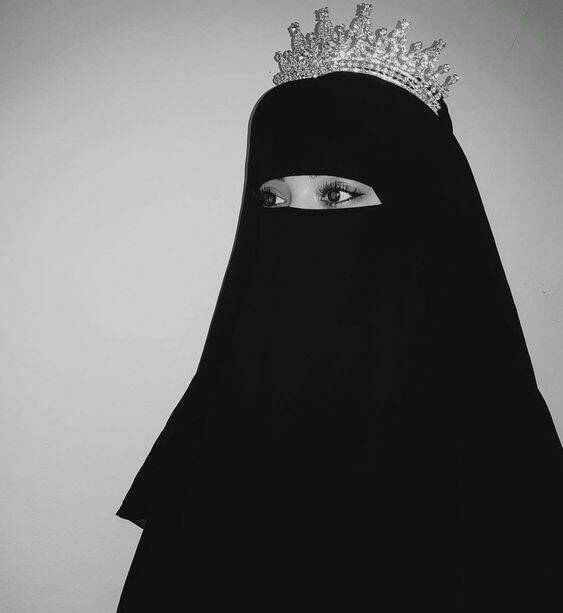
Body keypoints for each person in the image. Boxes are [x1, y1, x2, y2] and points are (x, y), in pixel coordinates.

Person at [115, 5, 563, 611]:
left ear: (421, 215)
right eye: (274, 201)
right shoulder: (230, 415)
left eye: (337, 194)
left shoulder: (490, 446)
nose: (296, 226)